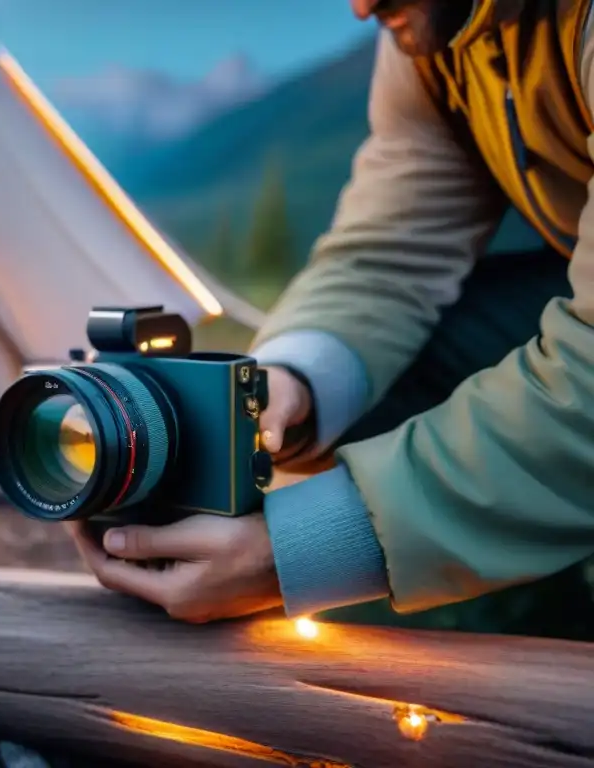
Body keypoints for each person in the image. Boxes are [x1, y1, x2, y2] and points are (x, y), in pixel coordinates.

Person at [64, 0, 594, 628]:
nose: (360, 7)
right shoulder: (442, 25)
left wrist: (307, 550)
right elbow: (393, 250)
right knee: (336, 425)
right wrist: (282, 383)